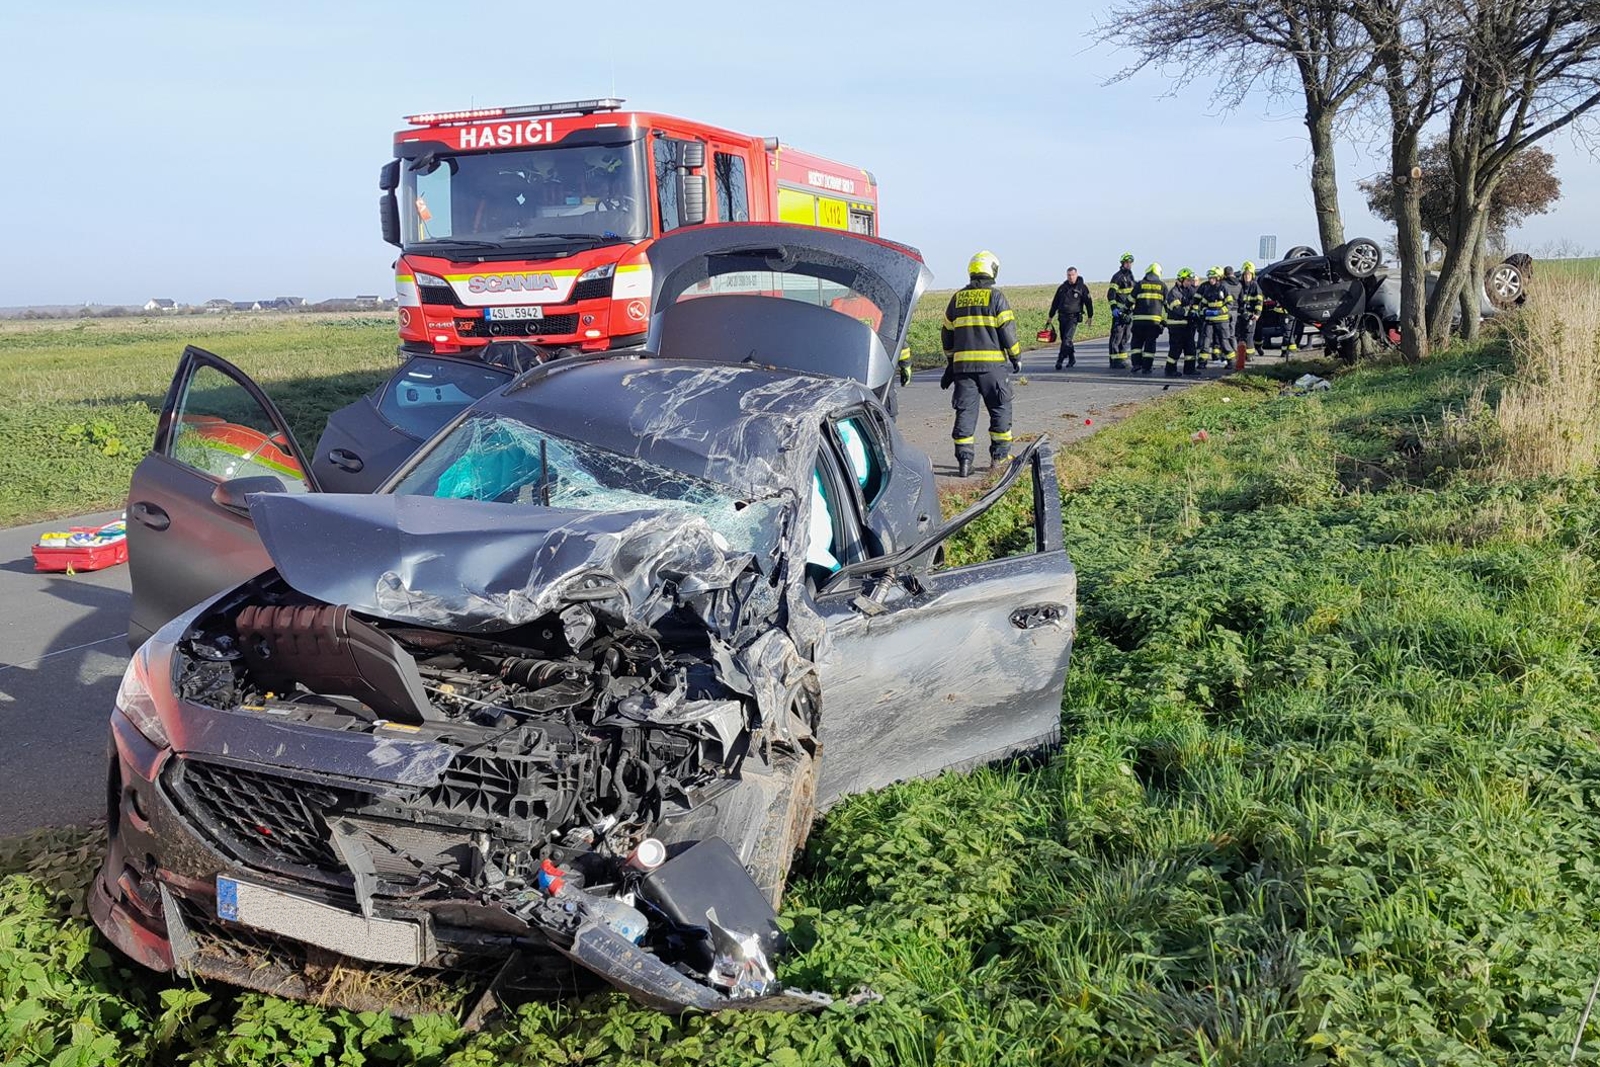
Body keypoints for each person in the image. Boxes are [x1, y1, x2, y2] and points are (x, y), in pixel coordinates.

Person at [940, 250, 1021, 478]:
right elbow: (1007, 331)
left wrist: (950, 361)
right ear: (991, 270)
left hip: (963, 370)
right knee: (1000, 407)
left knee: (965, 413)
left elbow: (947, 333)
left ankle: (964, 461)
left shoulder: (957, 298)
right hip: (992, 369)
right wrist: (1016, 356)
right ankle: (1000, 458)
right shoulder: (996, 297)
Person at [1046, 266, 1093, 369]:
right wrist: (1050, 316)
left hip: (1073, 317)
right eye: (1069, 275)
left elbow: (1088, 303)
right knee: (1065, 340)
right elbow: (1055, 303)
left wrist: (1090, 316)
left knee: (1067, 339)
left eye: (1072, 275)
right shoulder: (1062, 288)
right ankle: (1071, 358)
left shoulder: (1082, 288)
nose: (1071, 277)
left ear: (1076, 275)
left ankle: (1060, 360)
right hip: (1062, 317)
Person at [1129, 263, 1167, 374]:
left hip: (1138, 321)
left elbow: (1130, 301)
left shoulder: (1140, 284)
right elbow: (1168, 305)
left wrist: (1125, 311)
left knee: (1136, 343)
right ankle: (1146, 367)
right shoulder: (1162, 286)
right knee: (1150, 345)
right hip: (1154, 322)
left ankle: (1136, 364)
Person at [1165, 268, 1197, 376]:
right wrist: (1189, 312)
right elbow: (1177, 309)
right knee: (1175, 349)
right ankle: (1170, 370)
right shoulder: (1173, 293)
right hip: (1176, 325)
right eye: (1187, 280)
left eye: (1190, 280)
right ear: (1180, 280)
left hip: (1188, 325)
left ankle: (1190, 369)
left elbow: (1195, 301)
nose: (1189, 282)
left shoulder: (1190, 290)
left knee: (1190, 349)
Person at [1106, 253, 1137, 370]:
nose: (1129, 264)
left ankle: (1122, 359)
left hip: (1129, 312)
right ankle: (1114, 361)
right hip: (1119, 312)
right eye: (1127, 262)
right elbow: (1111, 294)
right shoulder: (1117, 277)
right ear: (1122, 263)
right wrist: (1114, 309)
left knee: (1126, 336)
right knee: (1116, 336)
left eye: (1131, 262)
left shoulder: (1131, 276)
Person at [1197, 267, 1234, 361]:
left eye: (1212, 278)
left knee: (1224, 341)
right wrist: (1205, 311)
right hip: (1209, 320)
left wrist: (1219, 311)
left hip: (1222, 320)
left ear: (1218, 278)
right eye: (1209, 278)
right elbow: (1204, 303)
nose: (1210, 280)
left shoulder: (1224, 288)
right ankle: (1202, 361)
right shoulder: (1208, 289)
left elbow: (1230, 304)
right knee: (1206, 341)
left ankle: (1231, 361)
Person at [1238, 261, 1264, 357]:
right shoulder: (1240, 286)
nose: (1246, 277)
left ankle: (1249, 356)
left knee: (1249, 336)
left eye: (1248, 275)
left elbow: (1259, 301)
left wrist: (1257, 314)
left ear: (1252, 275)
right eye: (1245, 275)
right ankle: (1241, 355)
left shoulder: (1255, 286)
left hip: (1251, 315)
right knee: (1241, 335)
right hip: (1241, 315)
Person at [1221, 266, 1244, 358]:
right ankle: (1235, 352)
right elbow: (1242, 299)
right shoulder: (1239, 284)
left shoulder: (1223, 284)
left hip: (1225, 310)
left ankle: (1227, 354)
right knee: (1232, 333)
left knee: (1224, 334)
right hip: (1235, 311)